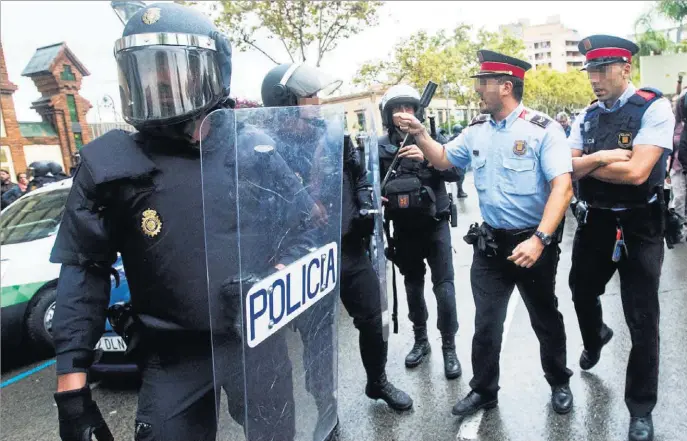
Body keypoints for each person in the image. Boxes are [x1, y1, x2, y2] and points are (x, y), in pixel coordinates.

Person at [49, 4, 313, 441]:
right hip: (173, 356)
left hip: (255, 341)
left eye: (173, 69)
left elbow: (304, 225)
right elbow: (83, 270)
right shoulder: (112, 165)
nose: (160, 84)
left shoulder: (253, 149)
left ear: (212, 72)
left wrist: (278, 277)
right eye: (147, 72)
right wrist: (71, 393)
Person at [393, 50, 575, 417]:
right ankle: (484, 391)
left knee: (545, 317)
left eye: (484, 83)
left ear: (506, 86)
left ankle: (558, 381)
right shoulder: (477, 129)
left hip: (533, 243)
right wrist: (422, 134)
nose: (478, 89)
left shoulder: (542, 130)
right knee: (486, 323)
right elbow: (444, 158)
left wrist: (540, 240)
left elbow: (563, 187)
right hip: (491, 245)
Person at [260, 63, 413, 416]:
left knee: (373, 318)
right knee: (318, 336)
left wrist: (365, 202)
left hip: (348, 247)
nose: (318, 100)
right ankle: (324, 406)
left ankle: (377, 381)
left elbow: (358, 175)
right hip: (307, 255)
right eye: (310, 95)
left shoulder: (332, 133)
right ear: (285, 100)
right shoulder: (269, 147)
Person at [567, 35, 675, 441]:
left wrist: (584, 166)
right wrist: (599, 159)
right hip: (595, 221)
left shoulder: (654, 106)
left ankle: (641, 408)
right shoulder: (588, 115)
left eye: (602, 70)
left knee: (643, 319)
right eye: (590, 71)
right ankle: (595, 338)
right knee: (580, 291)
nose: (594, 78)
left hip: (640, 224)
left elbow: (637, 173)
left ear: (626, 68)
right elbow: (564, 165)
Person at [378, 84, 463, 380]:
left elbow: (455, 172)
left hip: (435, 224)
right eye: (397, 109)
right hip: (403, 229)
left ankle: (449, 347)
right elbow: (368, 185)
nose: (404, 114)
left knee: (445, 289)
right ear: (387, 115)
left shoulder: (433, 139)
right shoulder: (380, 146)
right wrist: (377, 196)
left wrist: (427, 156)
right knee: (413, 287)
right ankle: (420, 340)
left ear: (419, 112)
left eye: (409, 108)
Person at [669, 92, 687, 242]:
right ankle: (678, 228)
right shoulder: (672, 124)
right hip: (676, 167)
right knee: (679, 199)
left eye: (675, 104)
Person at [449, 124, 468, 198]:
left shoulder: (451, 138)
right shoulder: (460, 137)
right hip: (460, 160)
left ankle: (460, 191)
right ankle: (460, 191)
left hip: (454, 160)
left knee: (459, 176)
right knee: (461, 176)